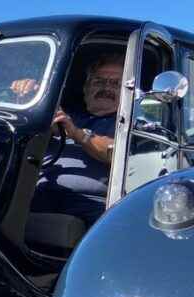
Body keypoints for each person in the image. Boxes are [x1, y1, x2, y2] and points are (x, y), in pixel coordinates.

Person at [11, 53, 125, 225]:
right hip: (35, 192)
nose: (106, 88)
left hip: (93, 203)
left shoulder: (133, 124)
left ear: (126, 92)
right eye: (99, 81)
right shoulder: (62, 114)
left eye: (116, 83)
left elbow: (118, 153)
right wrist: (29, 100)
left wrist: (76, 133)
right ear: (86, 88)